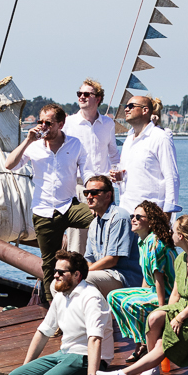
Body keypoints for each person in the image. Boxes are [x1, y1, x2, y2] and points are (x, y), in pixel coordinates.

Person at [79, 214, 188, 375]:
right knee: (153, 318)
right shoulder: (181, 259)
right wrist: (168, 312)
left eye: (173, 231)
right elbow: (175, 293)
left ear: (181, 236)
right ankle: (152, 365)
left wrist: (179, 317)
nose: (169, 233)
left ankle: (125, 373)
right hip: (182, 306)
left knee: (164, 340)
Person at [4, 103, 91, 305]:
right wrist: (27, 140)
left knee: (98, 218)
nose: (43, 126)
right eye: (40, 122)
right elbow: (9, 165)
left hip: (69, 206)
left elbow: (87, 173)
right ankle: (53, 306)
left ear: (60, 124)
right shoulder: (33, 146)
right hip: (43, 210)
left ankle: (95, 270)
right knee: (49, 263)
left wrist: (94, 193)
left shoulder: (75, 144)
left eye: (48, 123)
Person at [105, 200, 177, 361]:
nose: (133, 219)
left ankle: (142, 344)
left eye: (139, 216)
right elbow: (147, 274)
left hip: (167, 294)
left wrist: (161, 309)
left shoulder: (154, 242)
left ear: (151, 221)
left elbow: (159, 278)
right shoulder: (141, 241)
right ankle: (140, 340)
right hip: (152, 289)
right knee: (113, 297)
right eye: (133, 215)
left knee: (130, 304)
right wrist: (141, 292)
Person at [62, 78, 120, 253]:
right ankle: (75, 277)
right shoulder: (68, 124)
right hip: (78, 187)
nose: (82, 97)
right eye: (79, 94)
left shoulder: (108, 124)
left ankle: (102, 275)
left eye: (87, 94)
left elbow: (114, 154)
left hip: (104, 188)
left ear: (98, 99)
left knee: (107, 235)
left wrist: (118, 174)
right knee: (77, 241)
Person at [110, 94, 180, 215]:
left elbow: (171, 176)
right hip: (126, 210)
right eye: (126, 106)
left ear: (145, 110)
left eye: (131, 106)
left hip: (151, 214)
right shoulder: (128, 139)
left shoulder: (160, 137)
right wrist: (119, 177)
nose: (126, 109)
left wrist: (167, 213)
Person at [80, 174, 140, 297]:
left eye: (94, 193)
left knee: (84, 280)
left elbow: (112, 259)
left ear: (108, 195)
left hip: (124, 278)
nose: (89, 197)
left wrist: (81, 274)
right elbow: (89, 259)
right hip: (104, 274)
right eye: (87, 193)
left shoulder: (119, 217)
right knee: (57, 284)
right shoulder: (94, 224)